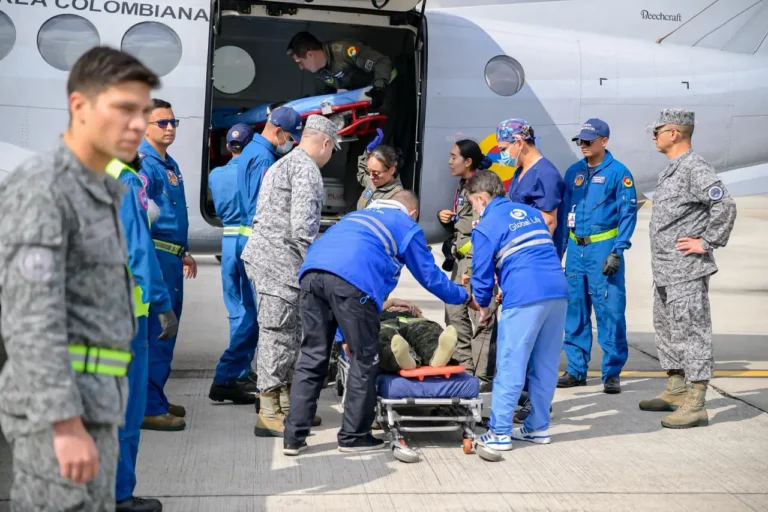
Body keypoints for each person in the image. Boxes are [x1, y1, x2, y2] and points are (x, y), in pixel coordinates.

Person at [0, 46, 158, 511]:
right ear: (80, 107)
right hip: (58, 414)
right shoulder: (44, 188)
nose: (139, 125)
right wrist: (63, 425)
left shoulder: (102, 191)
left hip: (97, 404)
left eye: (145, 112)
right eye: (125, 109)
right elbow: (30, 320)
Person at [283, 190, 478, 456]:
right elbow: (430, 276)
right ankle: (353, 437)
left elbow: (336, 272)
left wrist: (344, 337)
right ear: (412, 213)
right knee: (366, 358)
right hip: (352, 283)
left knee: (311, 356)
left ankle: (293, 437)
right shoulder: (405, 225)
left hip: (311, 274)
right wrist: (464, 297)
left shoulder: (356, 216)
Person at [640, 109, 737, 429]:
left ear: (674, 133)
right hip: (666, 270)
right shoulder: (672, 169)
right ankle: (677, 388)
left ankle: (696, 402)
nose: (653, 136)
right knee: (668, 330)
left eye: (657, 131)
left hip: (686, 270)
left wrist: (708, 241)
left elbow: (724, 204)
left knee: (692, 333)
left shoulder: (694, 167)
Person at [242, 114, 338, 437]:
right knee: (276, 335)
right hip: (278, 265)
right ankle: (268, 412)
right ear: (325, 143)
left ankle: (288, 407)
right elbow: (302, 228)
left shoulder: (285, 162)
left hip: (273, 261)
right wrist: (321, 261)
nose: (330, 156)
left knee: (289, 335)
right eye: (332, 150)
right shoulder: (307, 169)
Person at [467, 171, 568, 451]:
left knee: (511, 363)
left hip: (525, 294)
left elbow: (482, 275)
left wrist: (483, 306)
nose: (475, 209)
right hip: (557, 290)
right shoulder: (530, 213)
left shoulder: (485, 225)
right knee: (545, 364)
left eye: (473, 203)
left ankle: (499, 432)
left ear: (482, 198)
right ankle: (538, 427)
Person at [107, 155, 177, 512]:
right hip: (124, 318)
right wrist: (162, 303)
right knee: (126, 413)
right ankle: (120, 496)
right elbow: (138, 248)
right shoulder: (125, 179)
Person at [556, 118, 638, 395]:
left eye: (589, 141)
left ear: (604, 141)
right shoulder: (574, 172)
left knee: (609, 310)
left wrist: (618, 250)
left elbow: (628, 213)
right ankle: (576, 369)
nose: (584, 145)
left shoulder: (618, 173)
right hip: (576, 250)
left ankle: (612, 372)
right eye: (581, 141)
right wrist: (558, 253)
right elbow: (564, 210)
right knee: (575, 310)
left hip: (603, 250)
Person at [495, 119, 565, 421]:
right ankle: (526, 397)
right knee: (522, 341)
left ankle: (535, 404)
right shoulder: (521, 172)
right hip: (518, 267)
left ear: (520, 142)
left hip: (533, 266)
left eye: (504, 147)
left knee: (534, 343)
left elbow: (548, 222)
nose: (502, 154)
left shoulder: (546, 174)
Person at [232, 107, 304, 396]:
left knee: (251, 315)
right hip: (261, 244)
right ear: (278, 131)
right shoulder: (265, 158)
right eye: (290, 136)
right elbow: (266, 206)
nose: (292, 142)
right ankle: (260, 384)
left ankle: (237, 375)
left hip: (244, 239)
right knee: (269, 321)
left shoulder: (251, 151)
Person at [286, 31, 397, 213]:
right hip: (362, 108)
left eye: (300, 62)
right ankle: (353, 209)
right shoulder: (321, 73)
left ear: (310, 54)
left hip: (384, 98)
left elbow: (382, 62)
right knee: (357, 157)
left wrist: (379, 87)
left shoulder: (344, 51)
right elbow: (323, 98)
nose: (301, 68)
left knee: (381, 153)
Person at [138, 98, 198, 432]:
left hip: (171, 256)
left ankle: (155, 396)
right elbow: (146, 218)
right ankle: (148, 406)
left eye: (173, 122)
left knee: (167, 332)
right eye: (162, 123)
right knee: (160, 329)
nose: (170, 128)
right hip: (158, 257)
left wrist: (183, 250)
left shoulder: (168, 163)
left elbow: (172, 213)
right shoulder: (145, 164)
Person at [208, 123, 259, 405]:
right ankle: (239, 369)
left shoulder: (216, 175)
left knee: (235, 308)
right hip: (249, 239)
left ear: (229, 146)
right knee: (253, 310)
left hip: (227, 242)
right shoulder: (252, 171)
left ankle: (239, 369)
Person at [437, 139, 493, 389]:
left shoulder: (483, 186)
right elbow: (466, 221)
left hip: (476, 261)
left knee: (479, 315)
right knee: (454, 312)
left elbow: (485, 226)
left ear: (468, 162)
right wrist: (447, 219)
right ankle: (465, 368)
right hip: (461, 261)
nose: (449, 161)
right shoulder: (464, 186)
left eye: (453, 157)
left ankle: (481, 377)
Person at [336, 299, 458, 373]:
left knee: (425, 330)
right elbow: (363, 313)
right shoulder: (371, 308)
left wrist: (418, 314)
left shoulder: (409, 309)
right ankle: (405, 360)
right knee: (385, 338)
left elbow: (423, 319)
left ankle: (436, 355)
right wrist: (392, 302)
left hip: (411, 322)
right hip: (384, 324)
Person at [355, 129, 403, 210]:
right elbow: (362, 175)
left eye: (375, 173)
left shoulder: (397, 196)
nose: (370, 177)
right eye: (369, 171)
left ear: (391, 170)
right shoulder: (375, 181)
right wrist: (368, 152)